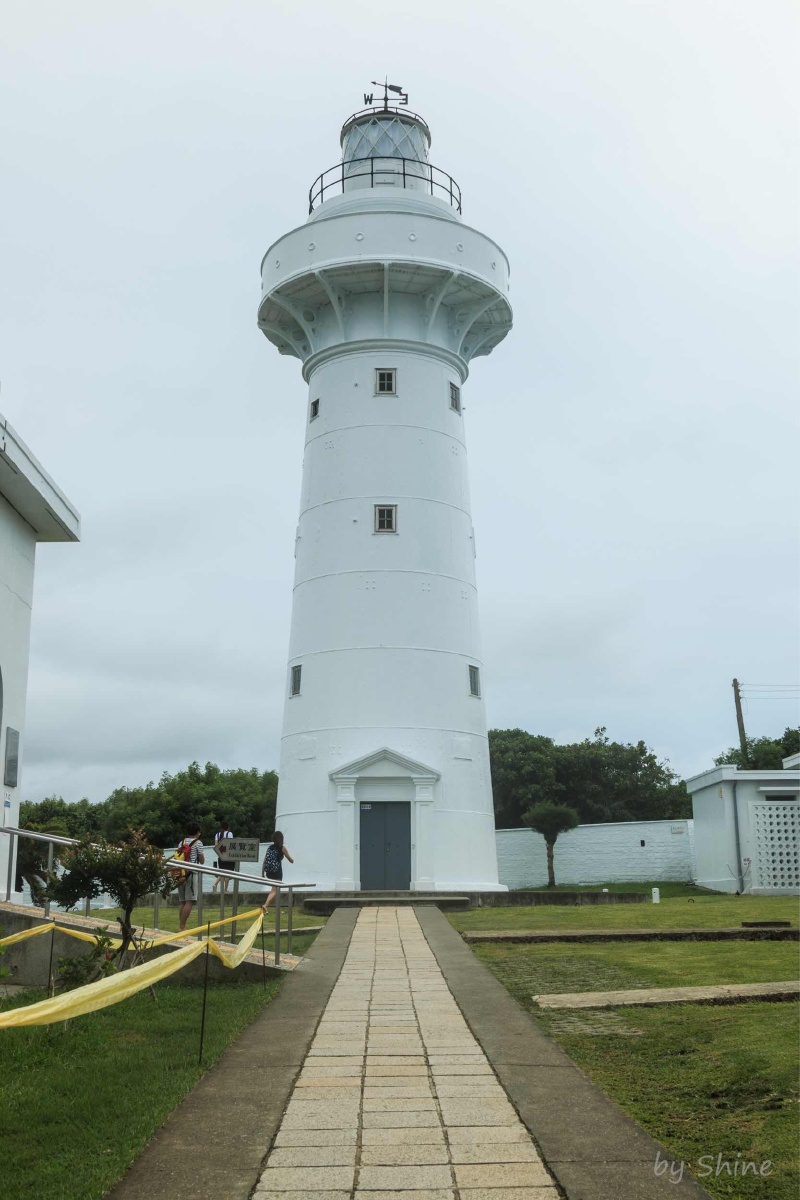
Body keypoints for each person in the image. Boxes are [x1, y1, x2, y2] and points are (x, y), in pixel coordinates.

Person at [176, 822, 205, 931]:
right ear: (197, 832)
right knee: (190, 901)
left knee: (182, 901)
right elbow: (201, 861)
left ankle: (181, 926)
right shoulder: (198, 843)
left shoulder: (181, 842)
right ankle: (182, 926)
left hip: (181, 874)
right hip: (192, 874)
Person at [262, 831, 294, 912]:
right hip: (277, 872)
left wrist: (262, 873)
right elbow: (290, 860)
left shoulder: (269, 847)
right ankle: (265, 905)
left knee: (275, 890)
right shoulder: (282, 848)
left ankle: (278, 909)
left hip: (269, 872)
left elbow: (265, 860)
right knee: (274, 891)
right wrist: (292, 860)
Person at [212, 819, 236, 893]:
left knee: (222, 872)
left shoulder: (217, 835)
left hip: (221, 856)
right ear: (228, 827)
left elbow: (216, 846)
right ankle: (225, 890)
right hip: (228, 856)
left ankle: (215, 884)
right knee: (228, 873)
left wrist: (220, 854)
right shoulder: (229, 834)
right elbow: (231, 844)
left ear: (221, 827)